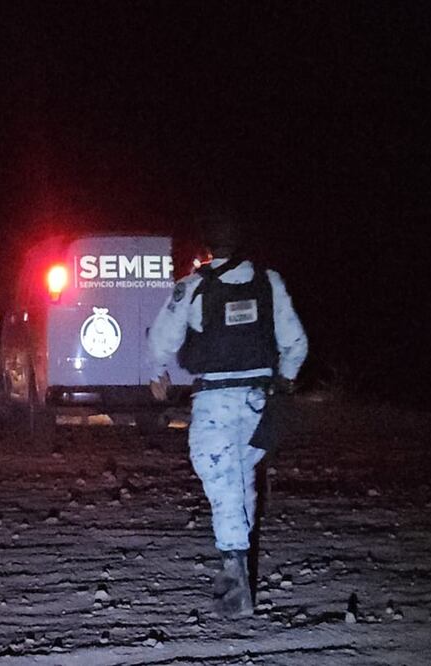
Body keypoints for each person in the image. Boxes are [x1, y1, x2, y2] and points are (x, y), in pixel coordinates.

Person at [147, 207, 308, 618]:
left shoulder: (193, 286)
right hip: (258, 403)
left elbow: (162, 340)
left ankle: (234, 573)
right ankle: (239, 570)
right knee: (242, 482)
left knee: (223, 487)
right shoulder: (268, 283)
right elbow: (296, 344)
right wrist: (283, 382)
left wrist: (157, 372)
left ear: (207, 245)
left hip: (215, 401)